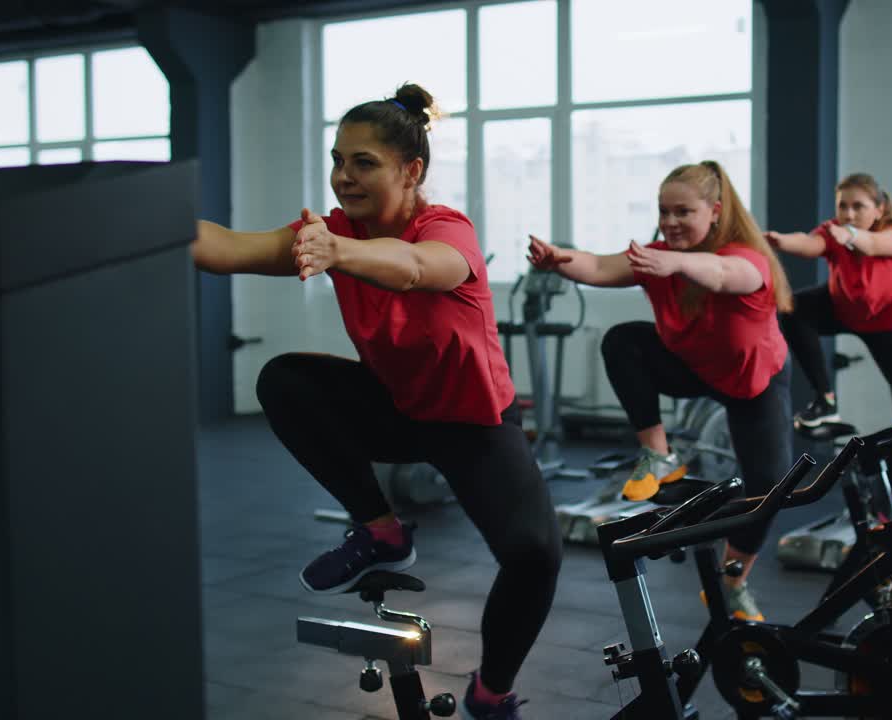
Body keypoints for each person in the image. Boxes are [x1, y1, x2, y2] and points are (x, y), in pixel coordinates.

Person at [191, 83, 558, 720]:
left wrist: (340, 251)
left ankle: (492, 691)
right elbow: (227, 250)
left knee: (535, 556)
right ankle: (382, 532)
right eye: (337, 160)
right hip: (400, 409)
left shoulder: (444, 227)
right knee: (285, 379)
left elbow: (420, 267)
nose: (343, 176)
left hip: (474, 422)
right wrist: (150, 218)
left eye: (363, 162)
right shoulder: (330, 232)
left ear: (411, 171)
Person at [527, 160, 793, 621]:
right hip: (693, 367)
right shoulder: (656, 257)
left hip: (755, 381)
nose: (670, 223)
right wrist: (560, 261)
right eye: (663, 212)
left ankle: (732, 585)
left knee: (770, 488)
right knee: (623, 341)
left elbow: (725, 274)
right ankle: (658, 454)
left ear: (714, 211)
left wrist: (677, 263)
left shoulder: (746, 257)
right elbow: (598, 265)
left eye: (683, 212)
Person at [765, 172, 892, 430]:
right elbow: (810, 244)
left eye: (858, 207)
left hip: (887, 324)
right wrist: (780, 241)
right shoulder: (835, 230)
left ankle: (891, 465)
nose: (849, 214)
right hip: (843, 310)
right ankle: (826, 400)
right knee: (793, 308)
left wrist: (852, 236)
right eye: (843, 206)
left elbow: (875, 245)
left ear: (879, 210)